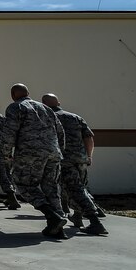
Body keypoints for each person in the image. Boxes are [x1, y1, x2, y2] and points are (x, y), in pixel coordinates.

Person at [1, 83, 67, 238]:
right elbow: (60, 131)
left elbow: (9, 133)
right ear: (28, 93)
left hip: (29, 153)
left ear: (13, 95)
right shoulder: (46, 109)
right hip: (53, 153)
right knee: (51, 187)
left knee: (24, 184)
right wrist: (59, 151)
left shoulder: (15, 107)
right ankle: (58, 228)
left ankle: (53, 216)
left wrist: (6, 154)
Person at [42, 93, 108, 235]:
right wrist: (89, 156)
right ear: (58, 102)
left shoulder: (47, 118)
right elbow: (89, 137)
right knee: (80, 187)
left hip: (63, 160)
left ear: (44, 105)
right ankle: (77, 217)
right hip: (80, 159)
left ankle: (95, 222)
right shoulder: (75, 117)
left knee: (74, 190)